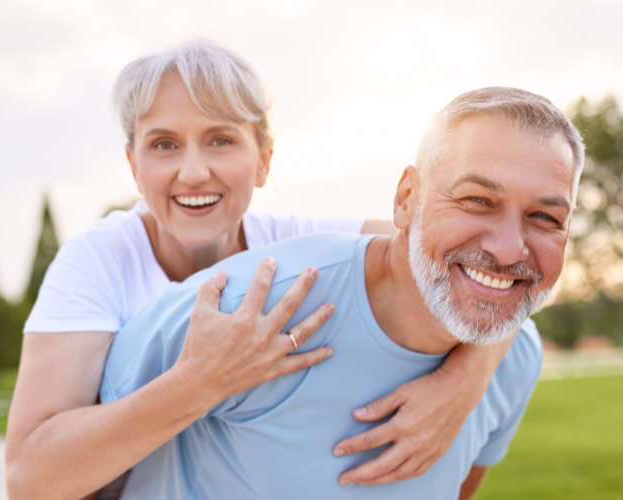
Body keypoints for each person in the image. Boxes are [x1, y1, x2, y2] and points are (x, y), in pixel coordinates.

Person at [5, 41, 517, 500]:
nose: (193, 171)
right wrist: (200, 384)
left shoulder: (302, 240)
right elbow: (29, 479)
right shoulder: (96, 261)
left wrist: (464, 381)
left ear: (264, 159)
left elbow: (472, 264)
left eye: (221, 140)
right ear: (134, 165)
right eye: (164, 145)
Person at [101, 86, 584, 499]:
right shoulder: (240, 309)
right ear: (405, 199)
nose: (507, 250)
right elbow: (57, 475)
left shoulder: (513, 360)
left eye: (545, 217)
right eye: (477, 201)